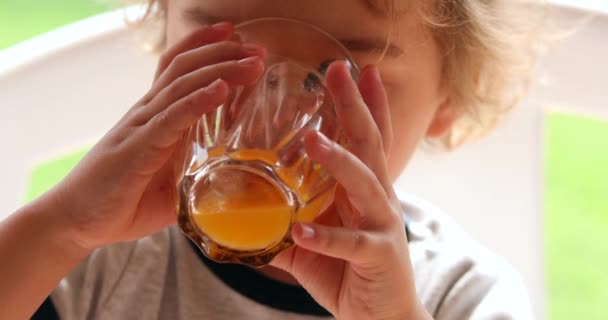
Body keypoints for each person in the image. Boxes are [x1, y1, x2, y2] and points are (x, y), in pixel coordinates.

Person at [0, 0, 542, 319]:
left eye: (343, 72)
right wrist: (61, 231)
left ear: (448, 98)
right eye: (227, 52)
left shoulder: (461, 294)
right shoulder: (95, 263)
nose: (274, 110)